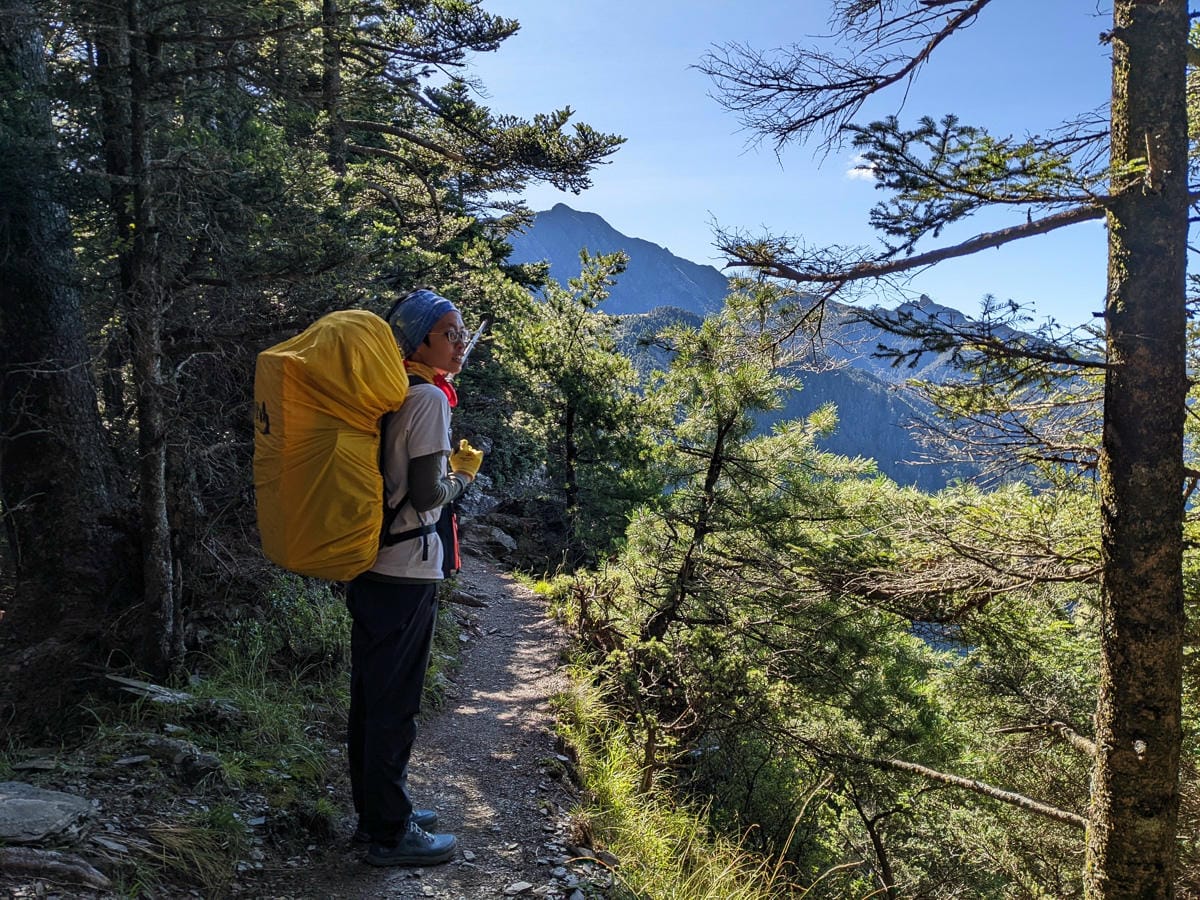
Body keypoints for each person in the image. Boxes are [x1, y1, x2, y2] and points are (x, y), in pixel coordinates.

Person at [345, 288, 484, 867]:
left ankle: (380, 810)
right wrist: (463, 475)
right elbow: (427, 494)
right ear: (420, 340)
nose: (459, 344)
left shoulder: (391, 391)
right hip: (405, 569)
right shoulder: (427, 400)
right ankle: (388, 831)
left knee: (371, 698)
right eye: (449, 333)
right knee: (394, 704)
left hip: (374, 564)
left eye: (460, 335)